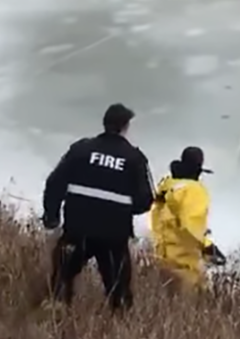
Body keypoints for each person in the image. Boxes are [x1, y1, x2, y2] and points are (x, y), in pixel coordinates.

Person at [41, 102, 155, 312]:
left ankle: (53, 323)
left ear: (104, 123)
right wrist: (121, 209)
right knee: (119, 296)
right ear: (125, 127)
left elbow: (54, 183)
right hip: (113, 236)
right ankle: (118, 328)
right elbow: (145, 201)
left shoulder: (81, 149)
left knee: (60, 284)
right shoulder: (134, 158)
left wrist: (51, 216)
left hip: (77, 230)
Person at [149, 146, 226, 290]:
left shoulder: (168, 185)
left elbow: (158, 216)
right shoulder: (194, 191)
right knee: (188, 305)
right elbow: (191, 225)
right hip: (184, 261)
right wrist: (208, 246)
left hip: (162, 254)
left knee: (161, 301)